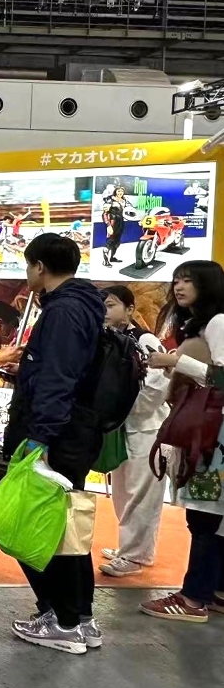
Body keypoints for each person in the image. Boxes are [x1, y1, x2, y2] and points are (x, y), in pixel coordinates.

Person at [4, 233, 106, 654]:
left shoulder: (63, 311)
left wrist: (40, 436)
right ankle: (80, 618)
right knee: (67, 526)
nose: (27, 274)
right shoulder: (84, 305)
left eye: (27, 266)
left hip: (56, 435)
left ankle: (63, 620)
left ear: (40, 267)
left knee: (45, 524)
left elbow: (58, 378)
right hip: (72, 430)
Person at [139, 261, 224, 622]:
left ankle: (192, 599)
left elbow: (221, 377)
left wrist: (175, 362)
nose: (179, 286)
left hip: (213, 436)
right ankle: (214, 591)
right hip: (211, 433)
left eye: (188, 280)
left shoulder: (218, 322)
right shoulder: (205, 324)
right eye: (177, 279)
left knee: (204, 515)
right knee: (212, 517)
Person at [99, 285, 171, 578]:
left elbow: (159, 383)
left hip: (147, 428)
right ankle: (131, 547)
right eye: (102, 306)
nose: (105, 311)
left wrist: (123, 408)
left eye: (111, 305)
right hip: (120, 428)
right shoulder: (106, 339)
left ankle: (135, 555)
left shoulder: (145, 340)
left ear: (130, 309)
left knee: (142, 494)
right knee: (123, 492)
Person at [102, 186, 130, 267]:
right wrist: (108, 225)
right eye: (118, 191)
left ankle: (112, 258)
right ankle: (105, 261)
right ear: (115, 191)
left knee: (117, 242)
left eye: (121, 191)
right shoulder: (110, 200)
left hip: (121, 223)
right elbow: (105, 214)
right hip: (112, 223)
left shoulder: (124, 201)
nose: (120, 193)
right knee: (110, 241)